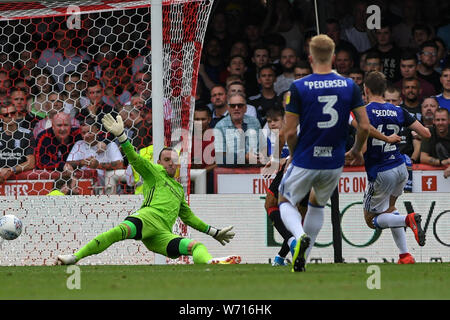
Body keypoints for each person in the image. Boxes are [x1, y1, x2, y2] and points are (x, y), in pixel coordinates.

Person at [57, 113, 240, 266]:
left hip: (162, 235)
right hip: (146, 218)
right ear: (159, 162)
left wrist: (214, 232)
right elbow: (136, 160)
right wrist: (122, 137)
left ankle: (210, 263)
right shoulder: (155, 172)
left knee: (196, 247)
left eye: (174, 160)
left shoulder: (177, 189)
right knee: (116, 233)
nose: (171, 163)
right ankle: (75, 257)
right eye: (167, 159)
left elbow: (188, 218)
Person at [278, 34, 370, 272]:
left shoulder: (298, 87)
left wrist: (295, 155)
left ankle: (298, 238)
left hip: (306, 157)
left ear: (310, 57)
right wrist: (357, 149)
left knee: (285, 200)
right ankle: (302, 261)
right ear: (333, 56)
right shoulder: (350, 86)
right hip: (334, 160)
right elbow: (365, 126)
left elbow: (289, 132)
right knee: (317, 205)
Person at [357, 71, 430, 264]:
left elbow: (363, 148)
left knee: (371, 220)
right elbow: (425, 133)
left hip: (381, 172)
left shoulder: (365, 112)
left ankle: (409, 220)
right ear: (384, 90)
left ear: (366, 90)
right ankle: (405, 255)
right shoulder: (399, 110)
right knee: (390, 210)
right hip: (401, 169)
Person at [67, 117, 126, 195]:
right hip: (86, 191)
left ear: (97, 131)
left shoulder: (110, 145)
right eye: (83, 133)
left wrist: (98, 165)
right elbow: (68, 163)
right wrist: (83, 162)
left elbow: (120, 164)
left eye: (90, 132)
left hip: (110, 190)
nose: (86, 135)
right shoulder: (79, 144)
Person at [213, 92, 266, 167]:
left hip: (255, 169)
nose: (236, 108)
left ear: (245, 108)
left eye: (240, 105)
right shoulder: (220, 126)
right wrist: (244, 158)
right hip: (230, 172)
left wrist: (261, 157)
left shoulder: (254, 122)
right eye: (233, 106)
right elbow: (220, 158)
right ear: (228, 108)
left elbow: (263, 147)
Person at [0, 105, 35, 184]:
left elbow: (31, 163)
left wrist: (11, 170)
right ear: (1, 117)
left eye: (12, 113)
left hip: (21, 181)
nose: (9, 116)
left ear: (16, 115)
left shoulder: (27, 134)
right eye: (6, 114)